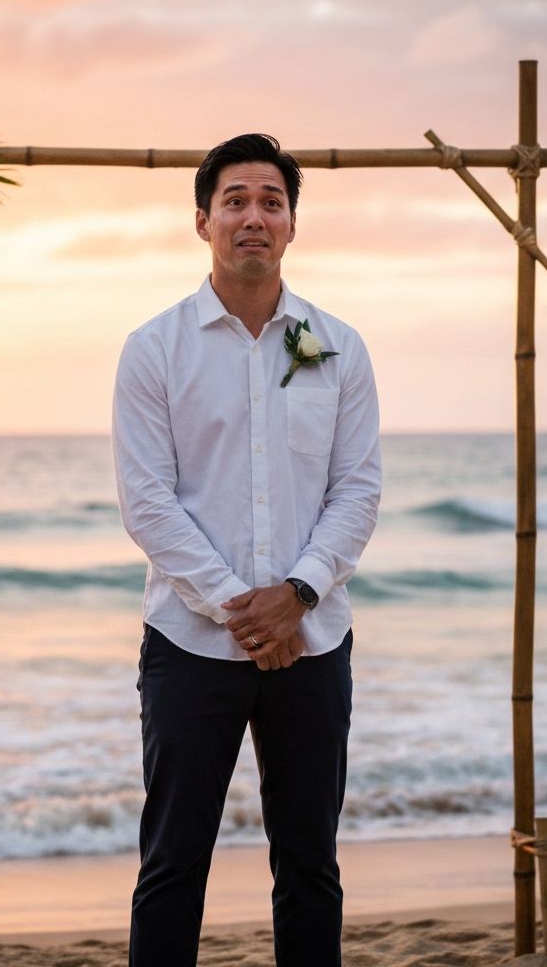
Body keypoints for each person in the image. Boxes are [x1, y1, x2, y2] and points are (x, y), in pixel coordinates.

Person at [112, 133, 381, 966]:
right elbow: (148, 502)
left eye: (271, 201)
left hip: (313, 640)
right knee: (173, 862)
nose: (253, 217)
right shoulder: (155, 348)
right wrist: (243, 607)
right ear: (203, 221)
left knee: (309, 863)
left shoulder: (338, 347)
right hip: (192, 642)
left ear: (293, 224)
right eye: (236, 201)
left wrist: (294, 596)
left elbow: (358, 490)